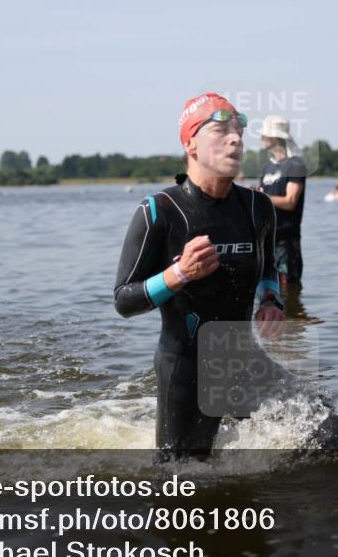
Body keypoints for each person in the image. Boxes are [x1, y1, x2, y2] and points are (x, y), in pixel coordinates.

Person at [114, 93, 286, 459]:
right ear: (190, 143)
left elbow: (269, 265)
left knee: (332, 432)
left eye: (239, 131)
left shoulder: (258, 207)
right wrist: (179, 274)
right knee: (181, 474)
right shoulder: (159, 211)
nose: (236, 139)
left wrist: (271, 300)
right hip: (185, 367)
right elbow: (124, 300)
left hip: (242, 360)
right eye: (221, 131)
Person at [258, 115, 306, 291]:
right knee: (266, 292)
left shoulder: (295, 165)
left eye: (265, 134)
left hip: (286, 240)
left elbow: (290, 201)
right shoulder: (267, 168)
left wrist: (263, 197)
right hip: (265, 240)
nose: (261, 137)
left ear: (276, 137)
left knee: (288, 290)